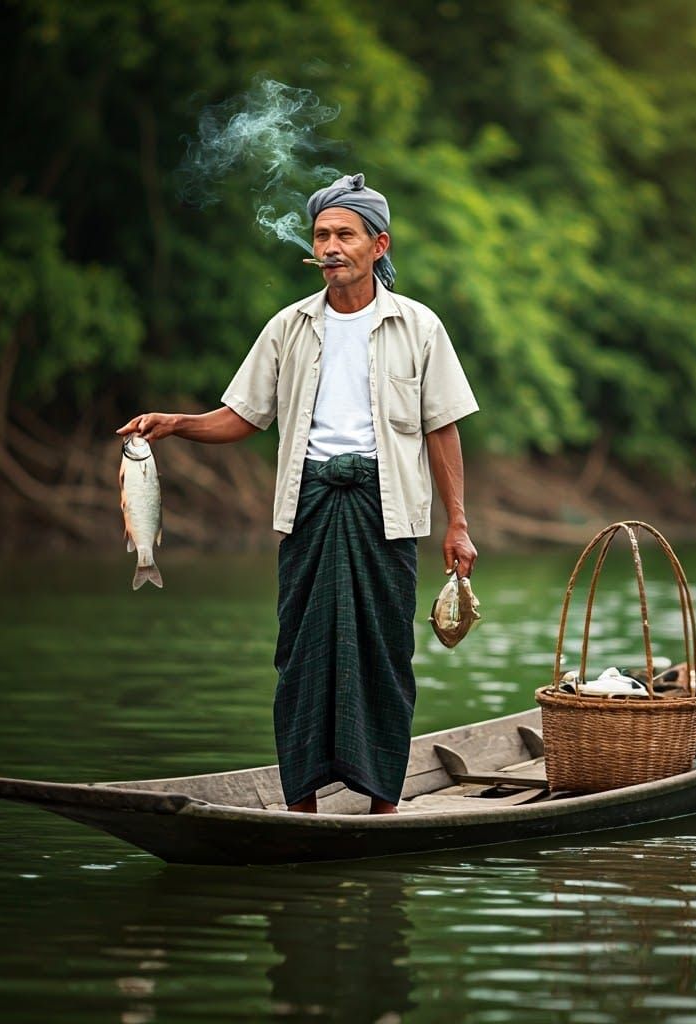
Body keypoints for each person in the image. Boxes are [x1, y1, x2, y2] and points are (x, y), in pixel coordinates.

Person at [117, 173, 479, 815]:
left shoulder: (418, 326)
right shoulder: (289, 327)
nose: (332, 246)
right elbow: (243, 416)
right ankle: (303, 802)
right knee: (301, 652)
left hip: (386, 510)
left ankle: (382, 805)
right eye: (322, 235)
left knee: (384, 652)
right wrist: (175, 424)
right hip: (309, 506)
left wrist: (457, 524)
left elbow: (441, 429)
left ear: (379, 245)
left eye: (345, 234)